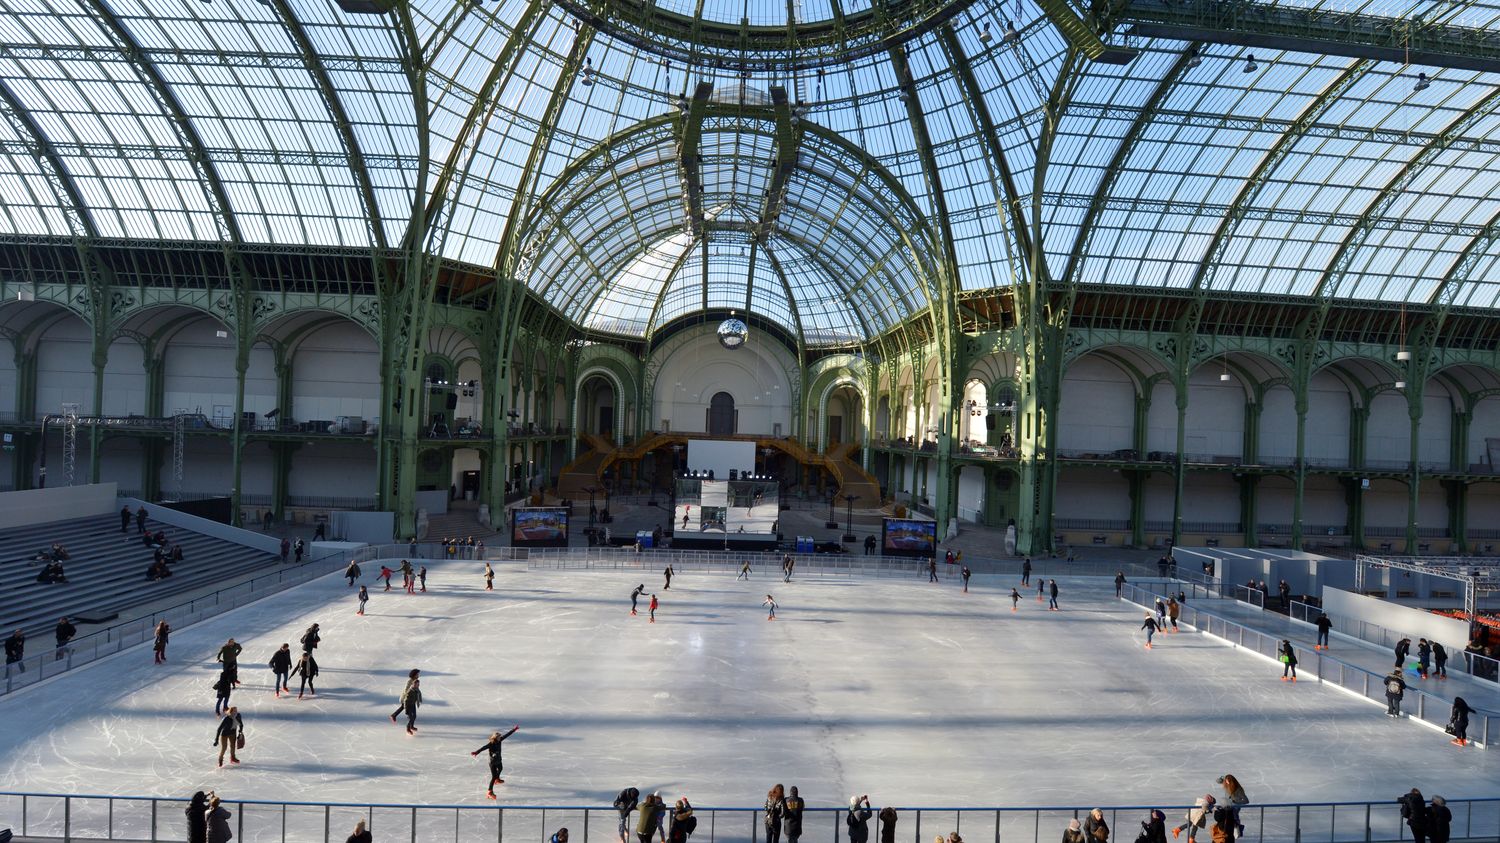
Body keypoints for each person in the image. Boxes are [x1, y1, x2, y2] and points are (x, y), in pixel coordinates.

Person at [1219, 774, 1249, 839]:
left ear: (1231, 781)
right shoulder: (1227, 786)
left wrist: (1236, 803)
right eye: (1226, 781)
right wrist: (1221, 778)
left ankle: (1237, 831)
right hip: (1228, 806)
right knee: (1227, 819)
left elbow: (1246, 801)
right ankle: (1230, 832)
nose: (1227, 783)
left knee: (1234, 818)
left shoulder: (1238, 789)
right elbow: (1218, 781)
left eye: (1228, 781)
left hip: (1235, 807)